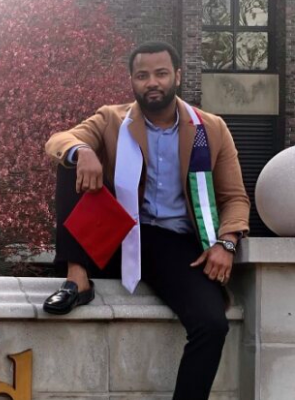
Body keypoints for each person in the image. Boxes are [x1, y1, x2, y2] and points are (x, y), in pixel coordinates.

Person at [42, 41, 250, 400]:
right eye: (142, 76)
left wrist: (226, 242)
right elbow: (59, 140)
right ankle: (77, 279)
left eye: (160, 73)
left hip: (173, 244)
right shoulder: (112, 118)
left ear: (177, 76)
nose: (151, 82)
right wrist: (85, 151)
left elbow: (235, 198)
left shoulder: (210, 129)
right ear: (132, 81)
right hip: (118, 233)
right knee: (72, 159)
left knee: (212, 324)